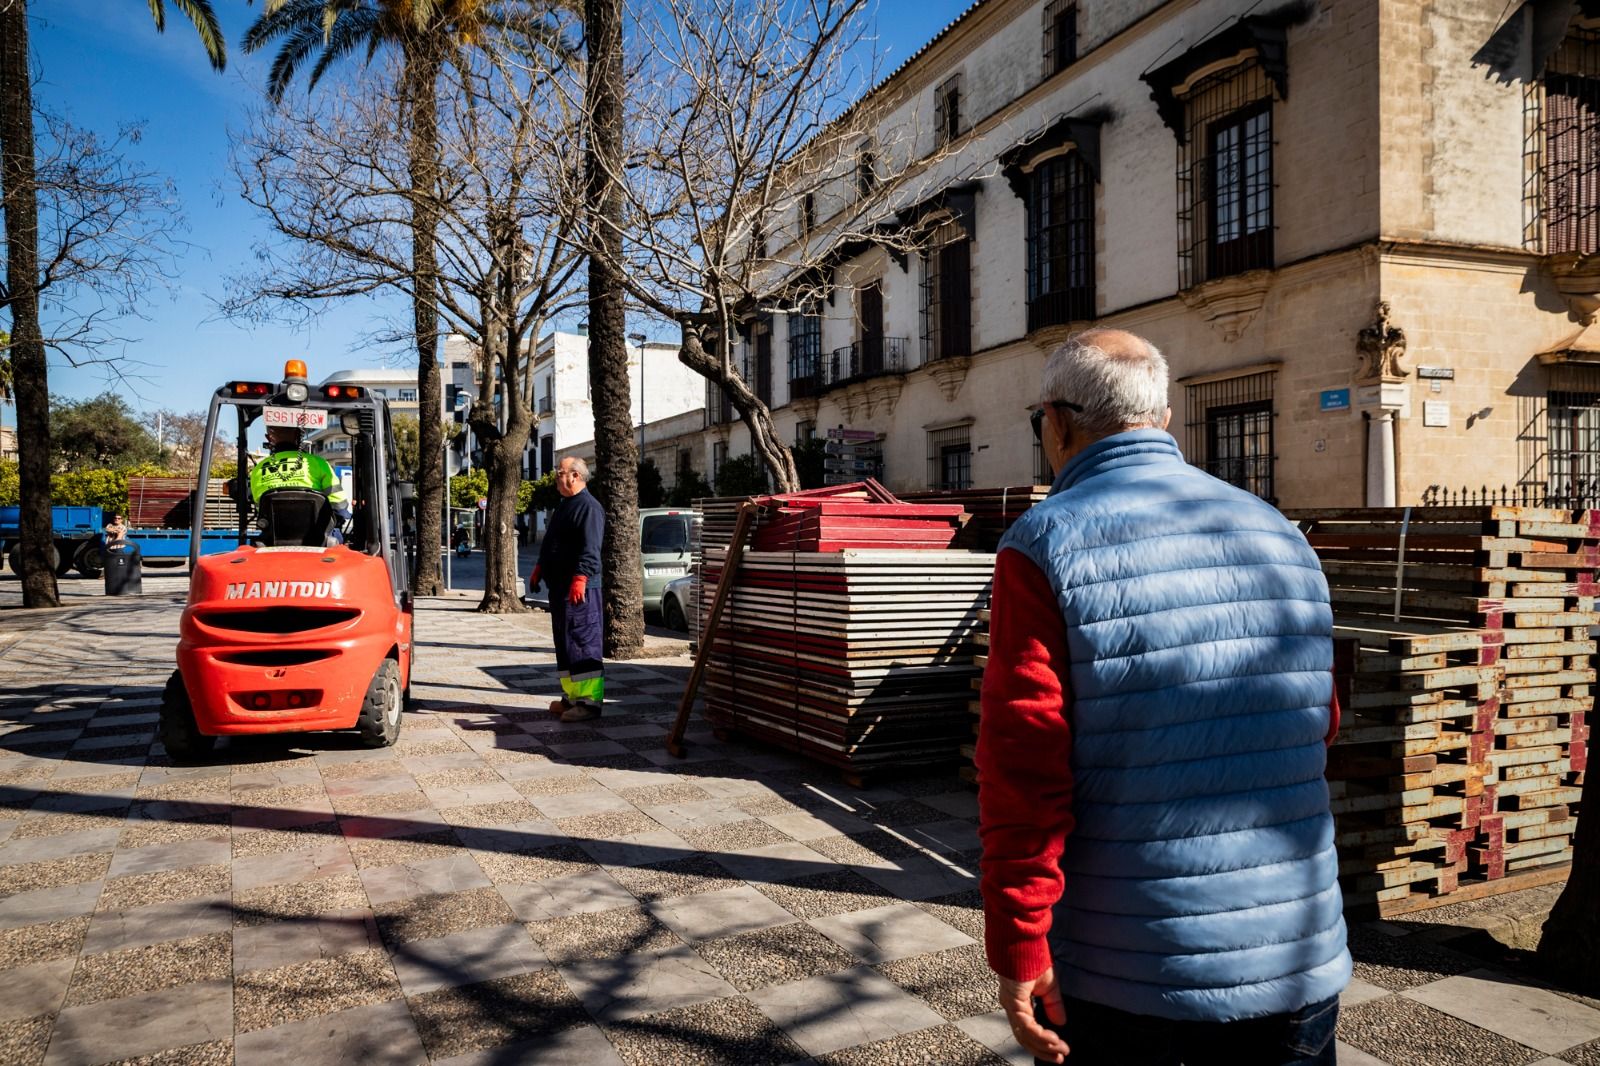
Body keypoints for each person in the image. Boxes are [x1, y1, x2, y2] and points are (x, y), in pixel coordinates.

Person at [977, 329, 1348, 1066]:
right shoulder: (1281, 532)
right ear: (1167, 420)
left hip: (1133, 970)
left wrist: (1020, 941)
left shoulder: (1043, 543)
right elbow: (1320, 722)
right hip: (1298, 954)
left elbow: (1024, 768)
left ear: (1055, 422)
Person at [530, 457, 605, 723]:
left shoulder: (589, 508)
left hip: (580, 591)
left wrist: (581, 577)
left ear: (575, 476)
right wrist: (540, 568)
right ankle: (571, 698)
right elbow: (552, 542)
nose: (556, 478)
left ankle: (589, 704)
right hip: (560, 589)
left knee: (583, 643)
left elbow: (590, 548)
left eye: (559, 473)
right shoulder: (565, 506)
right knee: (565, 644)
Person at [249, 424, 352, 545]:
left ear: (269, 438)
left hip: (274, 541)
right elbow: (339, 505)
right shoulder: (318, 463)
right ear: (299, 436)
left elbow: (260, 509)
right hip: (319, 540)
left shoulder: (258, 470)